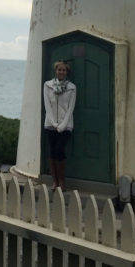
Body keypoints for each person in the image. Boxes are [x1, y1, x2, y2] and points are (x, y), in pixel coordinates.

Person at [43, 60, 76, 190]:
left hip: (66, 125)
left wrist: (62, 125)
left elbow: (70, 108)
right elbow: (47, 105)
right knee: (52, 151)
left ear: (67, 72)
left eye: (64, 70)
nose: (61, 72)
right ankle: (54, 181)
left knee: (59, 150)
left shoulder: (72, 87)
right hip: (50, 124)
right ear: (55, 71)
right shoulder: (48, 85)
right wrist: (53, 122)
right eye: (59, 70)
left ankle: (62, 181)